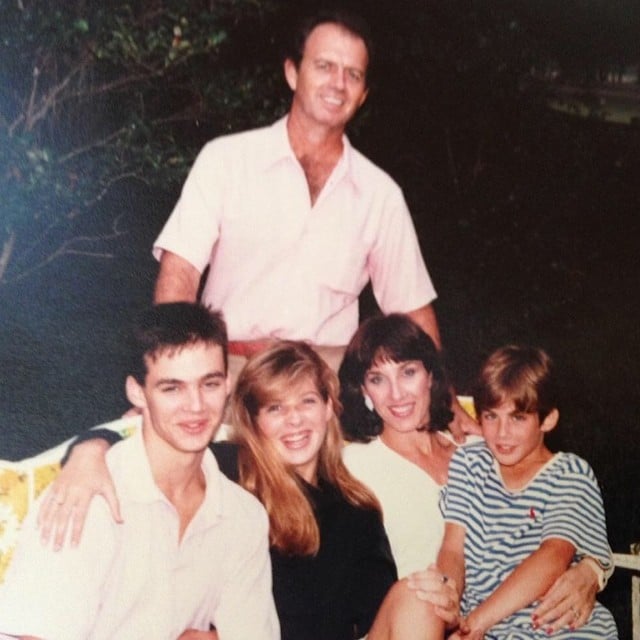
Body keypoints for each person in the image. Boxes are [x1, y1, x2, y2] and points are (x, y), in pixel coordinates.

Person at [151, 8, 476, 434]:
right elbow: (179, 275)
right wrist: (167, 383)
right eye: (324, 66)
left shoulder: (380, 195)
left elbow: (413, 310)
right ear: (292, 73)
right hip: (232, 377)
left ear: (362, 95)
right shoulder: (226, 160)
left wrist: (445, 405)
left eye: (352, 75)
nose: (338, 84)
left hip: (327, 387)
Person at [38, 340, 400, 640]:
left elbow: (380, 621)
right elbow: (151, 445)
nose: (295, 421)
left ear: (328, 407)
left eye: (306, 402)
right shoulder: (226, 469)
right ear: (255, 421)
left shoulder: (358, 512)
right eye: (275, 408)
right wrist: (89, 449)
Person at [0, 303, 279, 640]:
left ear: (228, 384)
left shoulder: (243, 516)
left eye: (209, 384)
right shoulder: (85, 498)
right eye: (172, 388)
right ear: (137, 392)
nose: (196, 405)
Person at [338, 314, 610, 634]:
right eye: (377, 379)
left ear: (430, 375)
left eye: (408, 372)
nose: (396, 394)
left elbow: (561, 528)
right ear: (364, 390)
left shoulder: (479, 449)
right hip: (413, 619)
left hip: (498, 622)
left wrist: (592, 570)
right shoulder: (352, 464)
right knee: (421, 598)